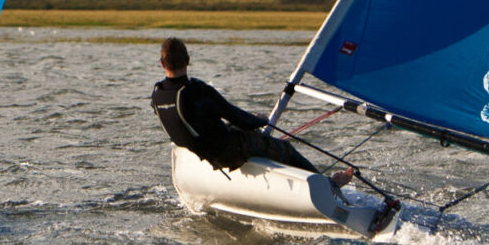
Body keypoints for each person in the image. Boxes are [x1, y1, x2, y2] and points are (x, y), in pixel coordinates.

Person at [150, 36, 352, 185]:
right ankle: (329, 184)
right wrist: (260, 120)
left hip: (201, 152)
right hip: (227, 152)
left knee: (241, 134)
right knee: (285, 149)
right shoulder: (198, 91)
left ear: (162, 63)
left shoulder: (158, 94)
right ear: (188, 60)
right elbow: (237, 117)